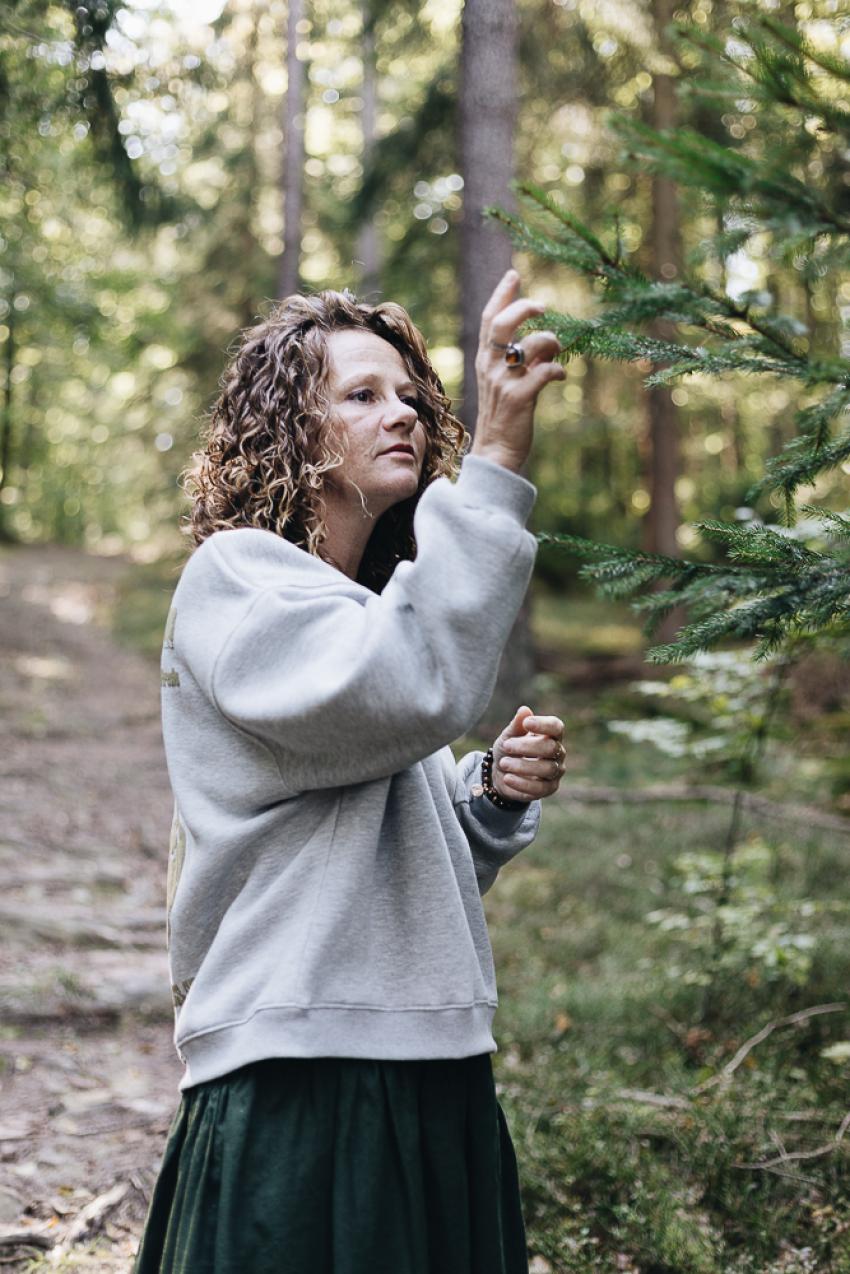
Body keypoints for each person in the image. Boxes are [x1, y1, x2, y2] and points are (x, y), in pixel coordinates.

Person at [134, 268, 567, 1274]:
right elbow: (411, 686)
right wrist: (497, 455)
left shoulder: (365, 616)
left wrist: (486, 793)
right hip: (303, 1076)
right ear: (293, 428)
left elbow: (383, 852)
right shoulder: (237, 580)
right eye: (362, 395)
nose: (402, 412)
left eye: (410, 394)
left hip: (431, 1061)